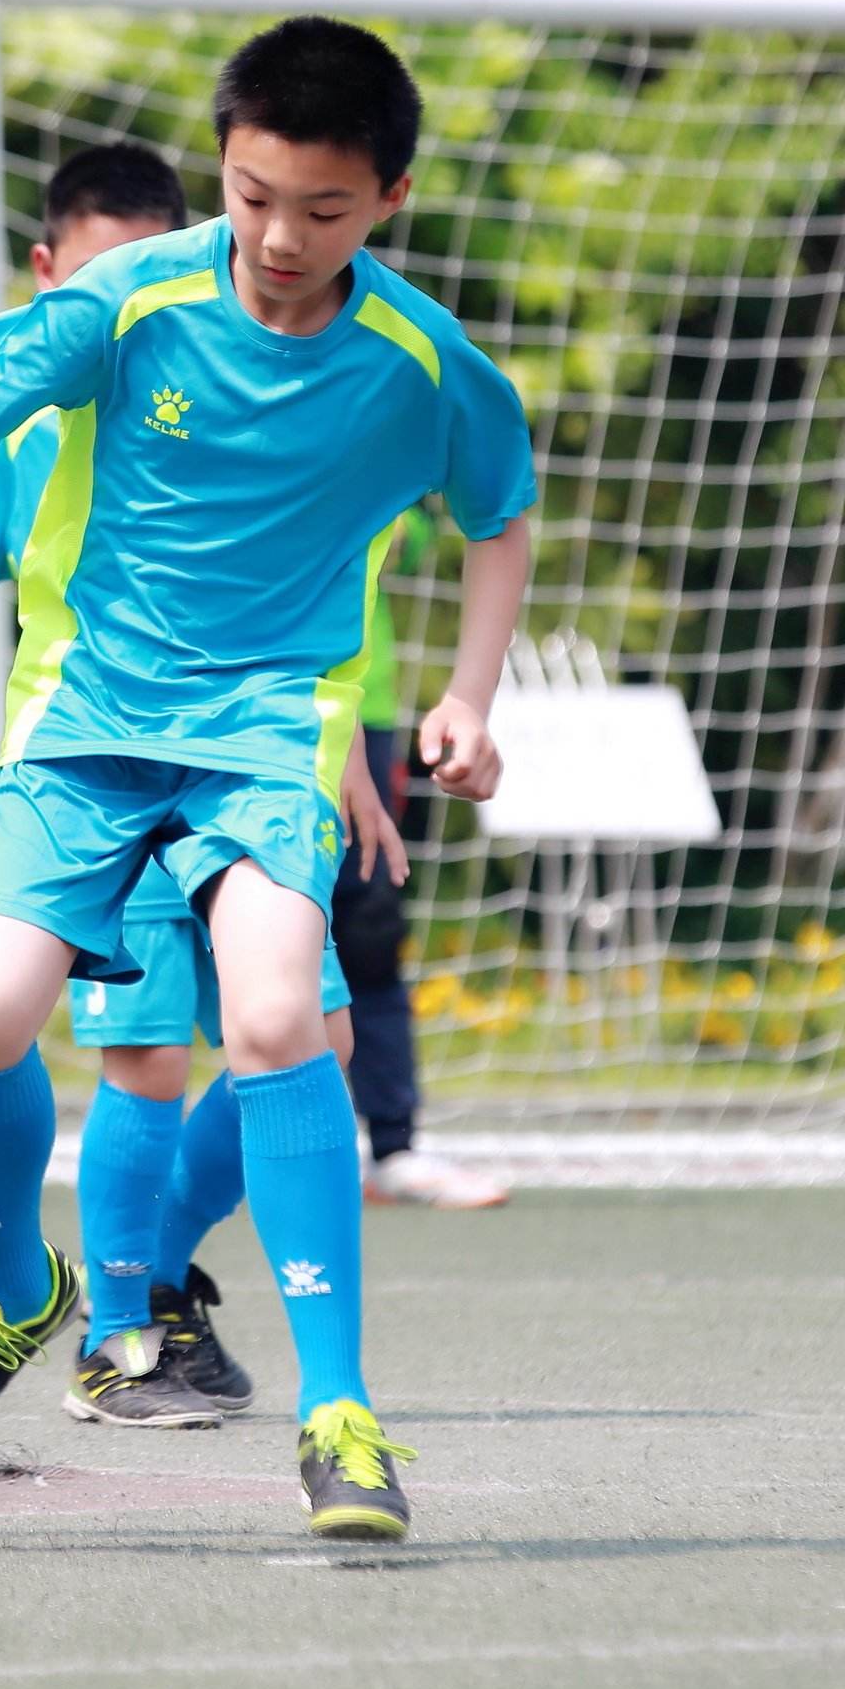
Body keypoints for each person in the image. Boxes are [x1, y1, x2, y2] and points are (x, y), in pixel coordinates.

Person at [0, 18, 535, 1540]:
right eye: (249, 196)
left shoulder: (425, 364)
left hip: (268, 733)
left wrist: (468, 697)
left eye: (324, 210)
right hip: (90, 724)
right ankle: (15, 1290)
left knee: (288, 1012)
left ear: (392, 197)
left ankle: (341, 1415)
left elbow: (501, 511)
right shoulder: (127, 298)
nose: (280, 240)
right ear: (220, 170)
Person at [0, 143, 397, 1431]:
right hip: (97, 764)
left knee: (315, 1041)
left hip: (248, 769)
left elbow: (299, 609)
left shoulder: (248, 393)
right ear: (51, 272)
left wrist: (348, 768)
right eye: (105, 264)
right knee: (142, 1050)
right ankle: (117, 1327)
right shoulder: (24, 427)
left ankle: (155, 1267)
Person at [340, 511, 513, 1211]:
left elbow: (402, 541)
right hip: (225, 711)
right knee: (243, 943)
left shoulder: (369, 416)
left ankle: (393, 1144)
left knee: (368, 928)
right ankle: (225, 1149)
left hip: (362, 713)